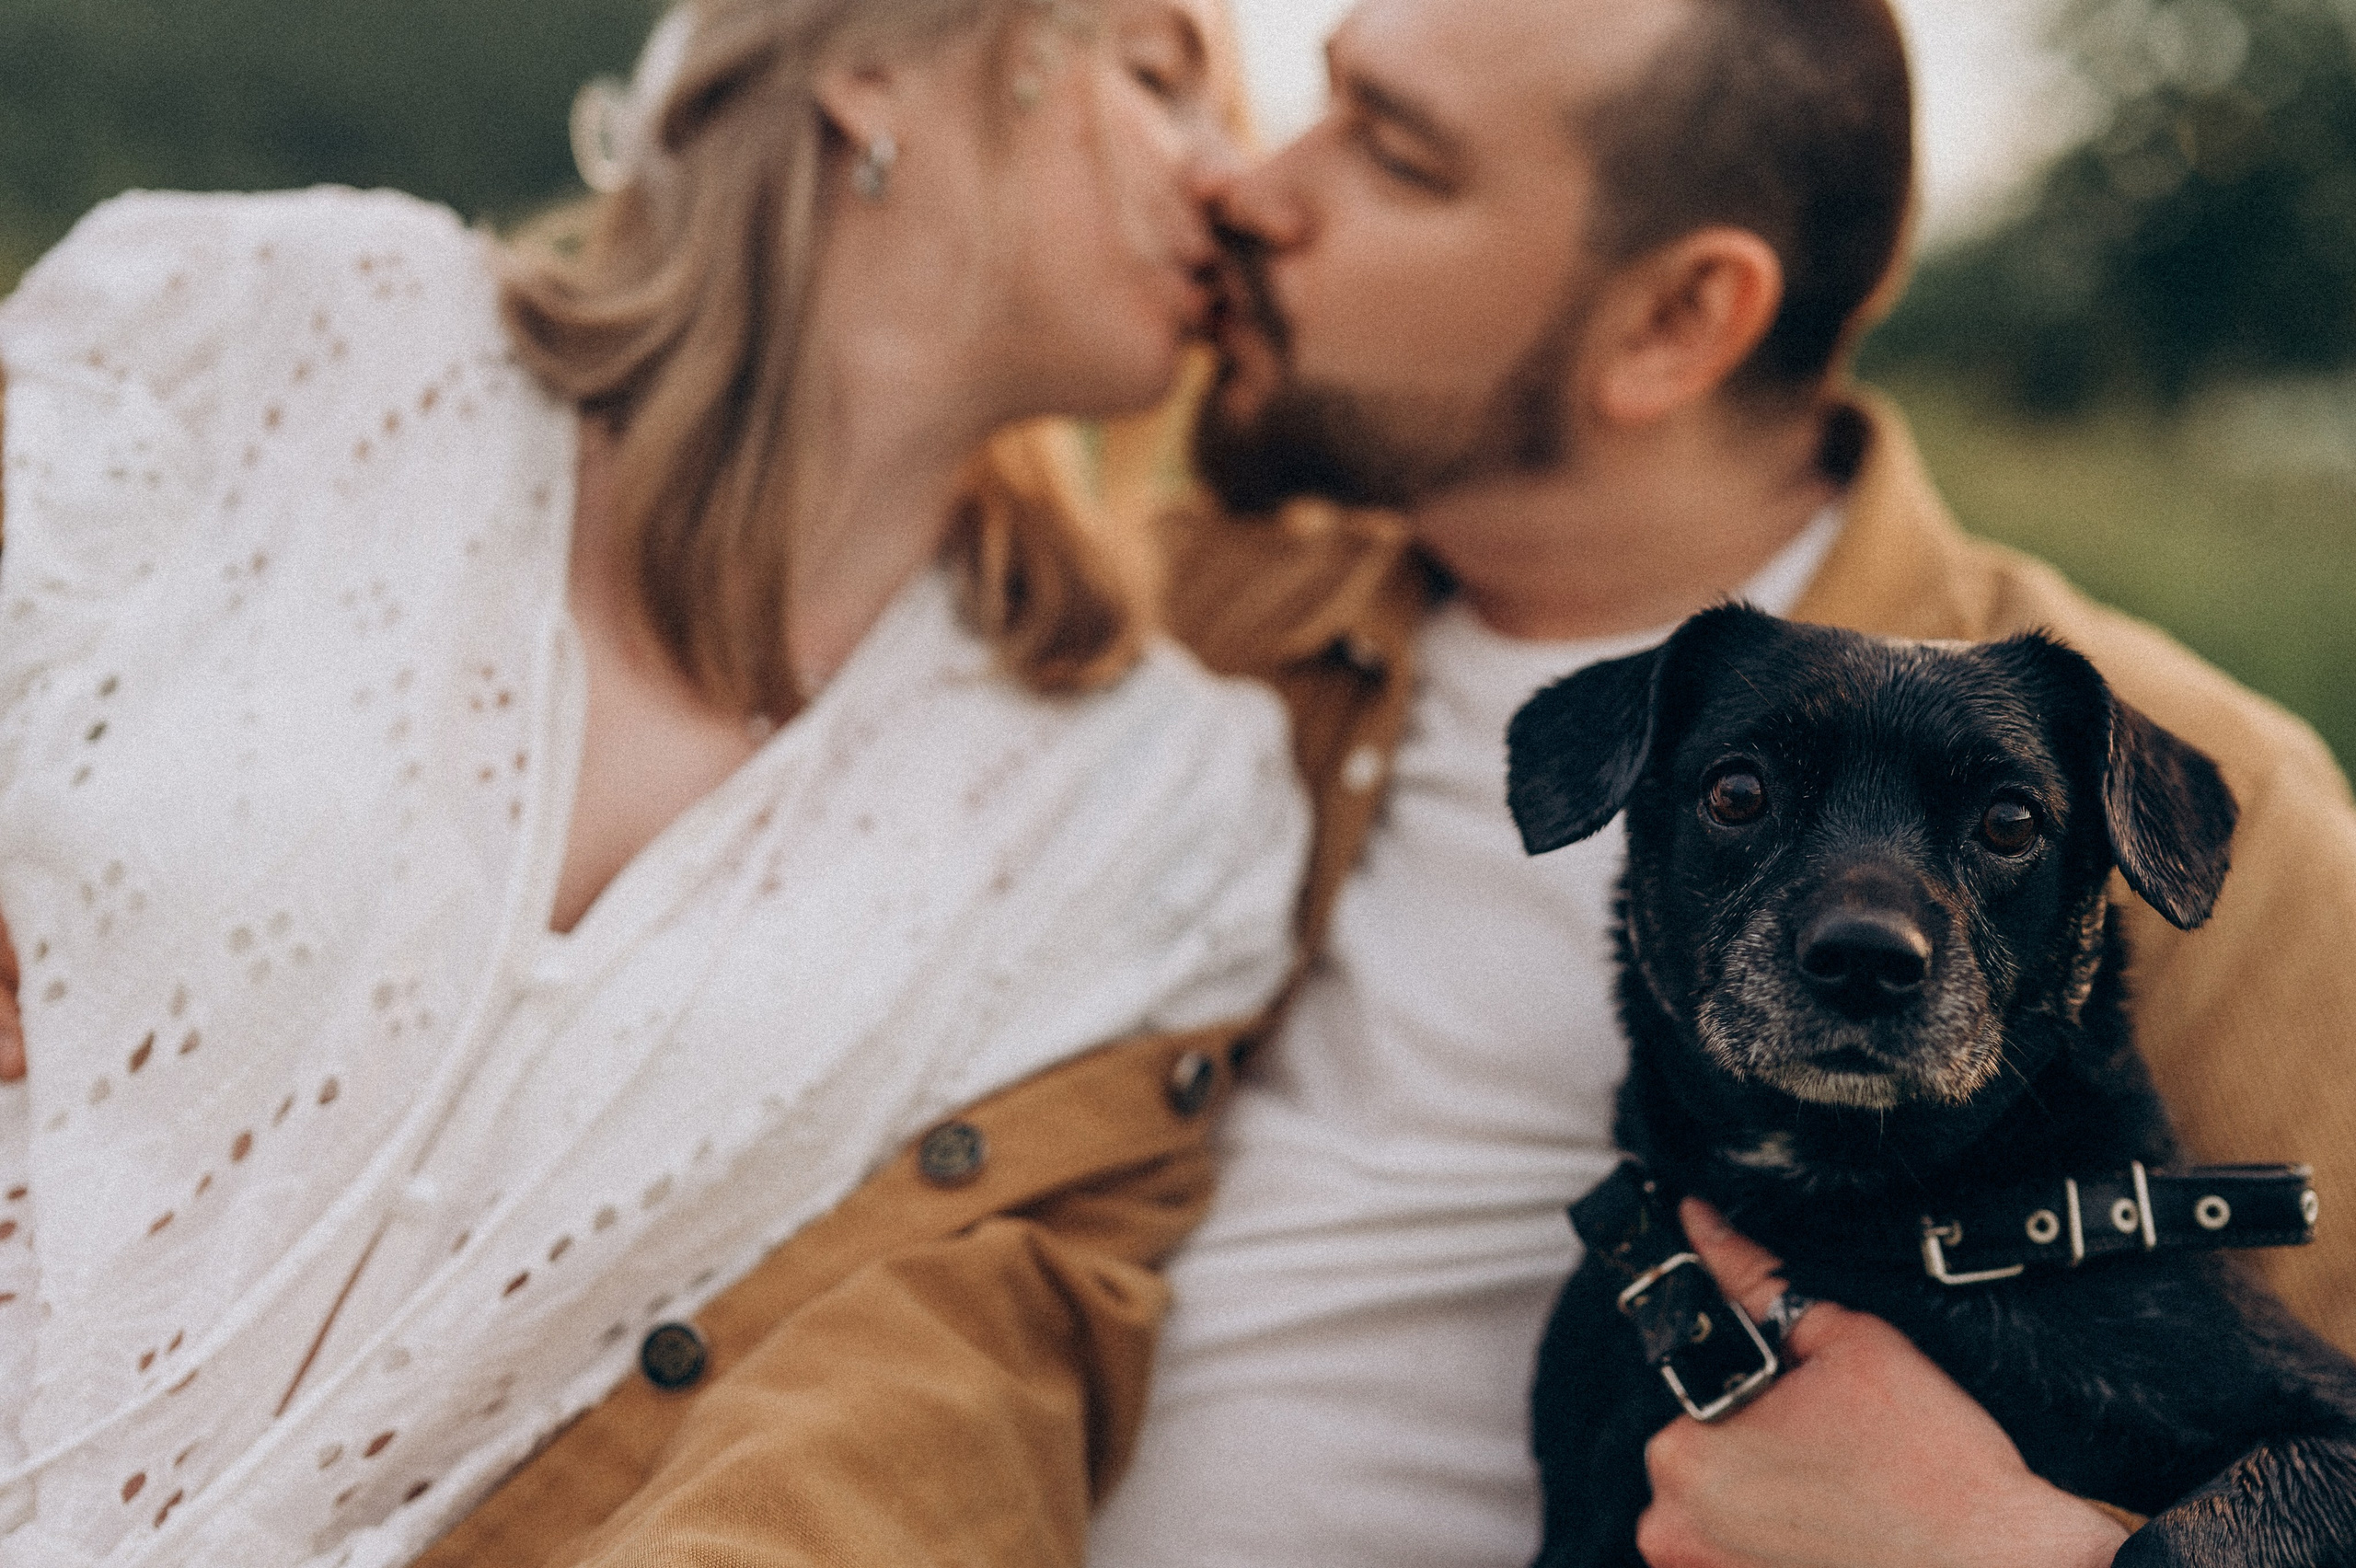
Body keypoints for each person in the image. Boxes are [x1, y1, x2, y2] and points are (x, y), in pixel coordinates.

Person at [0, 1, 1312, 1564]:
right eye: (1163, 81)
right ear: (869, 64)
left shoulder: (1154, 811)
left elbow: (953, 1385)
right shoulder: (278, 330)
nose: (1236, 185)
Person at [1087, 0, 2356, 1564]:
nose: (1254, 189)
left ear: (1678, 318)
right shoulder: (1133, 625)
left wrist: (2018, 1556)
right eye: (1320, 100)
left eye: (1395, 153)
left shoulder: (2209, 801)